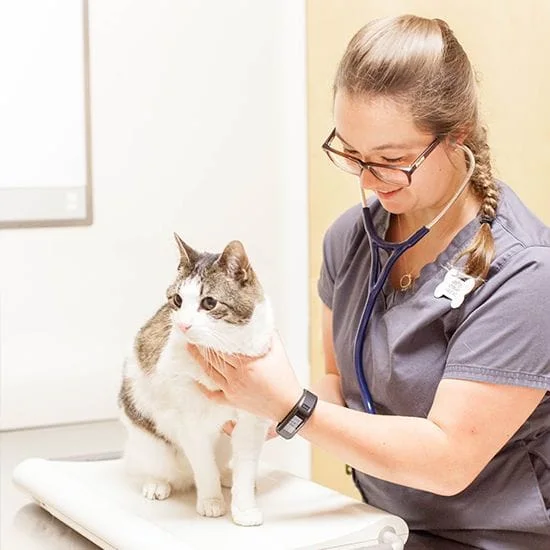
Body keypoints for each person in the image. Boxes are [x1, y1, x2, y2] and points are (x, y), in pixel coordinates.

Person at [187, 14, 550, 549]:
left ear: (458, 137)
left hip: (494, 538)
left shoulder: (525, 276)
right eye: (351, 154)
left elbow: (449, 461)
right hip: (378, 525)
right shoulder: (348, 241)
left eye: (391, 160)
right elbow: (337, 382)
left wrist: (290, 407)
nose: (366, 179)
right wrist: (261, 407)